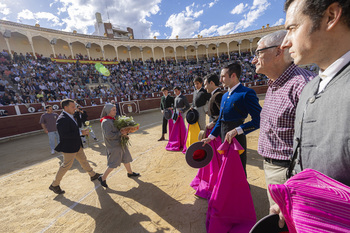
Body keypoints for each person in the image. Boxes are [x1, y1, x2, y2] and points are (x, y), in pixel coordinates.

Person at [271, 0, 350, 227]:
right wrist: (293, 196)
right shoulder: (308, 89)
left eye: (292, 28)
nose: (285, 42)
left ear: (331, 16)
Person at [252, 30, 316, 207]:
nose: (253, 60)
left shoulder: (302, 85)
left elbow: (316, 142)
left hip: (289, 173)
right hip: (275, 169)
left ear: (279, 52)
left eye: (258, 53)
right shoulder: (274, 83)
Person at [202, 63, 262, 175]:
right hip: (224, 137)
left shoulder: (246, 93)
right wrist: (210, 137)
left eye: (223, 76)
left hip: (237, 139)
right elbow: (221, 120)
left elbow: (259, 120)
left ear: (233, 76)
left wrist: (237, 130)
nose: (220, 80)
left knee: (238, 170)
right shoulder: (225, 95)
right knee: (227, 169)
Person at [49, 99, 101, 195]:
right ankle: (54, 184)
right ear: (66, 107)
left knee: (83, 160)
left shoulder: (69, 116)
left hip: (76, 144)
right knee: (66, 166)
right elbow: (64, 135)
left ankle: (92, 174)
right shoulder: (62, 119)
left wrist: (80, 133)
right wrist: (81, 132)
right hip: (69, 147)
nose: (75, 108)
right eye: (73, 107)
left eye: (75, 106)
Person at [98, 103, 140, 188]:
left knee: (126, 157)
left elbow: (119, 130)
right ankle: (102, 178)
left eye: (115, 109)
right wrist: (120, 133)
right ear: (108, 111)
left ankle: (130, 173)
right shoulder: (106, 122)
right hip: (114, 145)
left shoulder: (113, 119)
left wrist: (125, 132)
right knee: (114, 162)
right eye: (113, 110)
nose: (115, 111)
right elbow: (109, 135)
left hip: (120, 142)